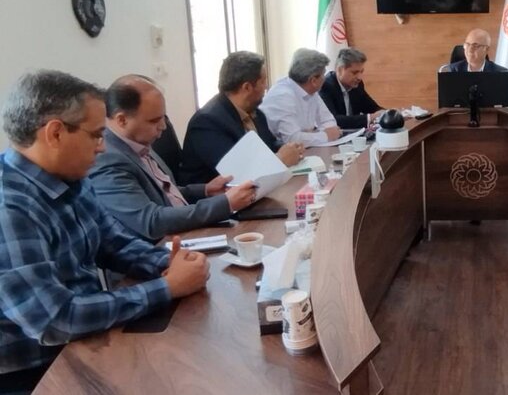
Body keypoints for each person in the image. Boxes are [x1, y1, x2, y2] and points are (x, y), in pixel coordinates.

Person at [0, 71, 209, 392]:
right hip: (37, 370)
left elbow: (112, 242)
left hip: (85, 335)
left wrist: (169, 263)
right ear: (55, 133)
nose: (102, 147)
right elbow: (54, 320)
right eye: (97, 135)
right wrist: (167, 287)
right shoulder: (9, 208)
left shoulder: (69, 175)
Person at [89, 75, 257, 242]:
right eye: (154, 121)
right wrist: (226, 203)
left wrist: (206, 190)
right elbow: (151, 221)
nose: (163, 126)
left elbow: (162, 194)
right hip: (158, 249)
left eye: (164, 117)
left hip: (184, 234)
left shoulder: (136, 140)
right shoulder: (107, 159)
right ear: (122, 120)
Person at [181, 51, 304, 184]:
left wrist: (290, 148)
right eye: (263, 81)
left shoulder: (255, 112)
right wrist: (280, 159)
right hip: (218, 194)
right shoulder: (207, 122)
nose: (266, 87)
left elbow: (269, 144)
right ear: (247, 87)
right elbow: (235, 173)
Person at [260, 49, 342, 146]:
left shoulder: (312, 91)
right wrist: (325, 136)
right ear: (313, 80)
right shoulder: (282, 96)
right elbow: (292, 139)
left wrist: (310, 135)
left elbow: (329, 122)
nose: (325, 78)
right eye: (323, 74)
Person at [319, 48, 385, 129]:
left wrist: (386, 114)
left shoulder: (357, 85)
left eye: (361, 72)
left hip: (354, 134)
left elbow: (372, 108)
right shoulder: (325, 86)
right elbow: (333, 120)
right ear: (340, 70)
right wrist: (370, 117)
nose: (359, 77)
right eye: (355, 72)